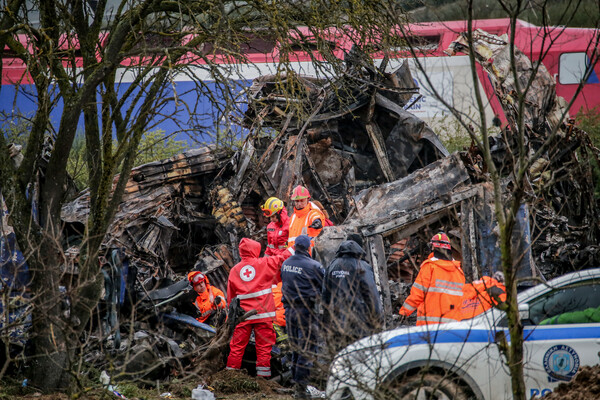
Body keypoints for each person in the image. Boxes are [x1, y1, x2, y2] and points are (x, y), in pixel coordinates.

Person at [226, 238, 293, 378]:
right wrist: (295, 246)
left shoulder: (234, 270)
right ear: (254, 250)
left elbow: (231, 298)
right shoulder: (263, 263)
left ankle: (231, 376)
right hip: (263, 314)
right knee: (264, 348)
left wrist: (231, 317)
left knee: (237, 347)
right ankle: (263, 379)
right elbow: (282, 258)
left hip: (243, 316)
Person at [280, 235, 325, 399]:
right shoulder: (314, 266)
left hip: (289, 311)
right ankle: (302, 387)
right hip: (306, 312)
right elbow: (325, 287)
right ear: (308, 248)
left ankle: (296, 383)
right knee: (306, 348)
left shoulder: (286, 264)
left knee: (295, 347)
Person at [321, 239, 383, 354]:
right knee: (359, 356)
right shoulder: (362, 266)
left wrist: (326, 322)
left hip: (337, 322)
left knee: (341, 357)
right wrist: (378, 319)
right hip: (358, 322)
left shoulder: (332, 266)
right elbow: (371, 294)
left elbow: (325, 295)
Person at [399, 233, 465, 326]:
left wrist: (404, 312)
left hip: (430, 326)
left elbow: (418, 294)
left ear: (433, 247)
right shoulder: (459, 271)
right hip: (454, 326)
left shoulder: (430, 267)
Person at [288, 185, 325, 252]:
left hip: (308, 255)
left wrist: (317, 221)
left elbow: (315, 216)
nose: (299, 204)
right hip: (293, 254)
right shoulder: (293, 217)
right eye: (297, 201)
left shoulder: (311, 213)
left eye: (302, 201)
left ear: (308, 199)